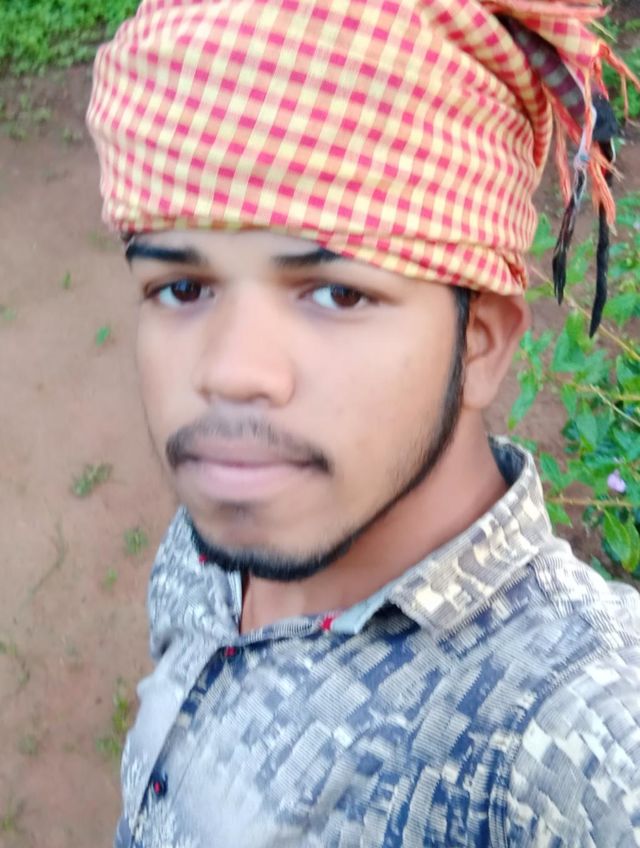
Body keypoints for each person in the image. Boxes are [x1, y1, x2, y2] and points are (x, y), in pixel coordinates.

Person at [87, 1, 640, 845]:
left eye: (338, 294)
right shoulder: (218, 534)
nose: (227, 373)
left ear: (482, 344)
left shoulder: (567, 739)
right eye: (182, 288)